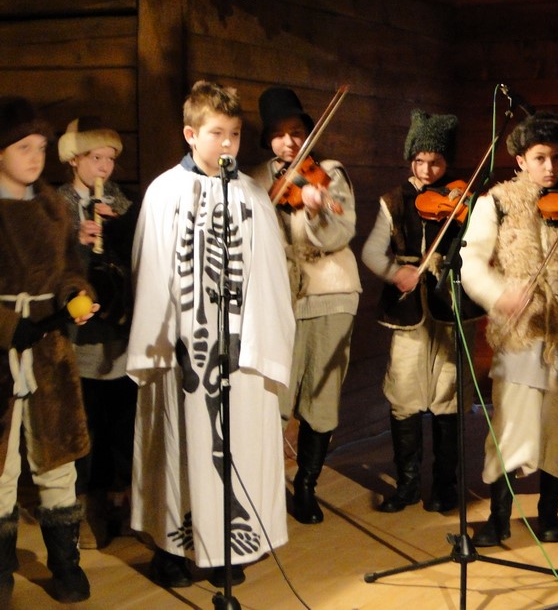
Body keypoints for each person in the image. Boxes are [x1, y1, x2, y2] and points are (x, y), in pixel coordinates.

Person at [127, 80, 295, 589]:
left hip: (241, 349)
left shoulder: (251, 195)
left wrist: (259, 340)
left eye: (235, 134)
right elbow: (149, 270)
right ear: (190, 134)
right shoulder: (164, 192)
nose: (227, 144)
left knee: (236, 444)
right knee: (178, 445)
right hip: (181, 349)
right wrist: (166, 338)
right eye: (217, 133)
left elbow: (270, 277)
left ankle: (227, 547)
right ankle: (172, 549)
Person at [459, 111, 558, 546]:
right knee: (511, 425)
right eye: (540, 158)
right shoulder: (497, 202)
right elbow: (471, 262)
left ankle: (549, 513)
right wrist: (498, 294)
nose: (550, 167)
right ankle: (498, 516)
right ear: (521, 160)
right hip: (522, 331)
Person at [0, 96, 99, 603]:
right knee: (1, 466)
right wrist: (6, 326)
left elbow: (67, 271)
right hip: (3, 352)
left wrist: (76, 295)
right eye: (24, 147)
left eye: (41, 147)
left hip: (48, 349)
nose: (35, 157)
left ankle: (65, 565)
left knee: (57, 459)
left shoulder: (53, 208)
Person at [251, 86, 361, 525]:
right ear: (268, 139)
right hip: (277, 296)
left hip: (329, 292)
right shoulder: (255, 180)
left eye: (296, 132)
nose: (289, 142)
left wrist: (317, 211)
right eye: (279, 134)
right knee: (274, 397)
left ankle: (307, 485)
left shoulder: (328, 173)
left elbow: (343, 231)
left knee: (321, 393)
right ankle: (264, 487)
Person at [361, 109, 476, 513]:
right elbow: (371, 252)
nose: (427, 170)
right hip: (409, 312)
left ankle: (446, 485)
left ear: (448, 161)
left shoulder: (463, 199)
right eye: (420, 160)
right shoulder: (393, 200)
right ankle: (408, 484)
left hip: (450, 305)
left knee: (449, 395)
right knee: (405, 394)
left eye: (437, 162)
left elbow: (479, 248)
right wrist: (397, 272)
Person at [57, 117, 137, 549]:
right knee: (86, 424)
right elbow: (50, 268)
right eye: (95, 158)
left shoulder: (119, 200)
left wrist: (119, 231)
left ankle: (122, 502)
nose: (105, 167)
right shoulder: (58, 204)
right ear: (74, 159)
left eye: (110, 159)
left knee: (122, 422)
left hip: (118, 331)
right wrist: (78, 242)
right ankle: (86, 509)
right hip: (79, 333)